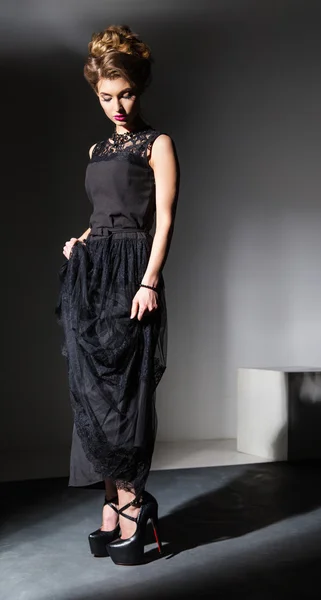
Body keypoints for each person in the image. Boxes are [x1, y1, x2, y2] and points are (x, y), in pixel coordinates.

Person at [55, 24, 178, 566]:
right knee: (92, 393)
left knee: (126, 396)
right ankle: (109, 506)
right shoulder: (97, 147)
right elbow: (99, 216)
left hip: (132, 270)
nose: (117, 106)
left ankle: (134, 505)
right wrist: (78, 241)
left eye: (125, 93)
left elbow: (165, 219)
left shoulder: (157, 144)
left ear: (139, 86)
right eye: (107, 96)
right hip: (93, 270)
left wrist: (149, 281)